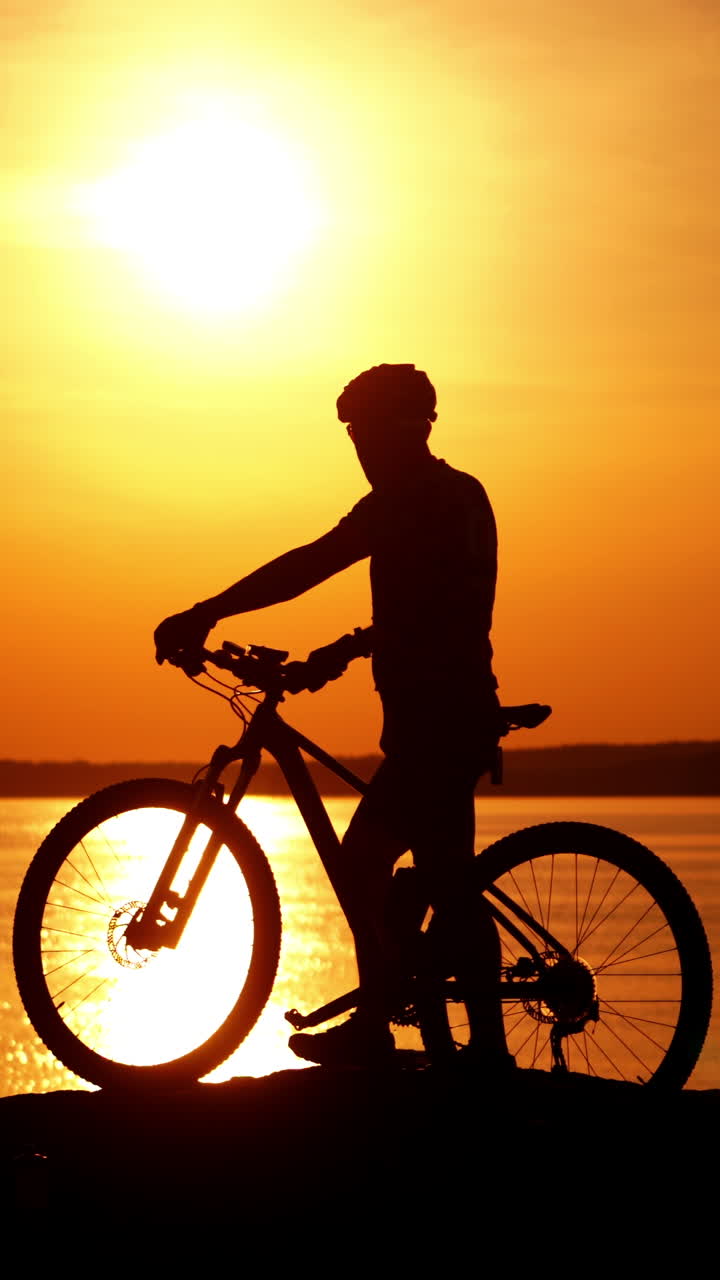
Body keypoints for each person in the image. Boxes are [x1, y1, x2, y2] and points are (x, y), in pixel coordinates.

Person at [154, 363, 513, 1072]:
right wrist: (342, 651)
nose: (359, 447)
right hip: (448, 712)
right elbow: (426, 608)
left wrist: (207, 611)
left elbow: (309, 566)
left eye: (364, 432)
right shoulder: (455, 495)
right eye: (352, 434)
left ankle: (444, 1045)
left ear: (400, 430)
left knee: (376, 864)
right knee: (436, 875)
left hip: (439, 719)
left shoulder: (409, 500)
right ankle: (420, 1032)